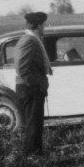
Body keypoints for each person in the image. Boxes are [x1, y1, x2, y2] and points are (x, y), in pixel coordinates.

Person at [15, 11, 52, 156]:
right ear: (38, 26)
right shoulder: (29, 41)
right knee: (33, 125)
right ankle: (32, 157)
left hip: (30, 87)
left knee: (35, 124)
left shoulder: (31, 39)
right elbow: (22, 68)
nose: (44, 27)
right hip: (30, 88)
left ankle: (36, 154)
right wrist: (36, 84)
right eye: (43, 25)